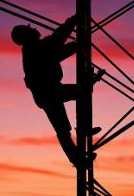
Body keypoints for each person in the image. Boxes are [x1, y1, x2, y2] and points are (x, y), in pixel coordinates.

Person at [11, 15, 104, 169]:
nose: (33, 29)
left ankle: (79, 154)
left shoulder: (34, 49)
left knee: (64, 126)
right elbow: (58, 40)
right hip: (49, 93)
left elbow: (56, 50)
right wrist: (74, 22)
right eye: (29, 29)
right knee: (78, 99)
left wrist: (76, 44)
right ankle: (79, 153)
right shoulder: (35, 49)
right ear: (26, 36)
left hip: (47, 93)